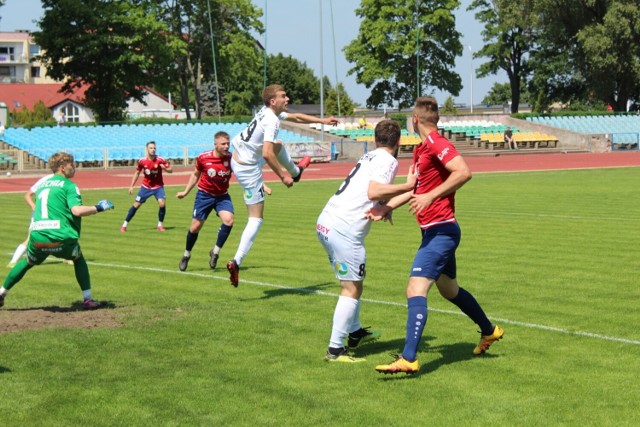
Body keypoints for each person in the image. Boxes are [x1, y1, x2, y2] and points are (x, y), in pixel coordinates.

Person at [371, 97, 504, 374]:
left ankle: (409, 358)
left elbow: (464, 172)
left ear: (415, 120)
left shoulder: (437, 144)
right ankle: (489, 330)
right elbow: (415, 190)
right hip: (435, 230)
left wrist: (430, 196)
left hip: (441, 231)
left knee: (415, 289)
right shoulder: (421, 150)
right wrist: (387, 207)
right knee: (449, 290)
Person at [318, 120, 416, 363]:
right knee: (351, 287)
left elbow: (368, 193)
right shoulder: (388, 160)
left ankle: (355, 332)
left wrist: (385, 205)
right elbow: (374, 191)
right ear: (398, 142)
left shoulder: (369, 157)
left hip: (327, 221)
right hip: (344, 230)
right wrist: (408, 185)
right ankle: (335, 349)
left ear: (374, 140)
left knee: (352, 281)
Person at [225, 84, 338, 287]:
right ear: (273, 101)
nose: (287, 99)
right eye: (283, 96)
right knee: (256, 219)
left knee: (278, 145)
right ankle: (236, 261)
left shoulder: (267, 112)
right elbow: (267, 154)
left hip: (240, 158)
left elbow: (296, 117)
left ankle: (296, 172)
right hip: (248, 170)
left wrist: (322, 121)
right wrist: (282, 177)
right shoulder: (271, 121)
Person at [0, 152, 114, 310]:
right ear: (62, 167)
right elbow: (77, 210)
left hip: (38, 235)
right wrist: (99, 207)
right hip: (60, 236)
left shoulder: (43, 185)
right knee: (78, 258)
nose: (74, 167)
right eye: (71, 164)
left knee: (28, 262)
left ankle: (1, 293)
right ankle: (88, 299)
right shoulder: (69, 186)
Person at [176, 131, 236, 271]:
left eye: (228, 143)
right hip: (204, 195)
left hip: (222, 196)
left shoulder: (231, 158)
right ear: (215, 144)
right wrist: (185, 192)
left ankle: (215, 252)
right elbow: (195, 174)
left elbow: (244, 172)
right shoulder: (203, 158)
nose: (227, 146)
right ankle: (186, 255)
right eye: (223, 144)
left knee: (229, 220)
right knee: (195, 227)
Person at [120, 141, 172, 232]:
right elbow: (137, 173)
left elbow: (171, 170)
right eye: (151, 148)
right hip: (146, 187)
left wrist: (165, 169)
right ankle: (124, 225)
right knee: (136, 205)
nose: (153, 150)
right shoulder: (142, 161)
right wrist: (131, 186)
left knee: (162, 204)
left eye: (154, 148)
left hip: (158, 187)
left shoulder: (160, 159)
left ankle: (160, 225)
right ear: (147, 149)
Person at [7, 173, 54, 268]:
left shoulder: (63, 181)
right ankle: (13, 261)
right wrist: (34, 207)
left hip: (53, 214)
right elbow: (27, 195)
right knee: (29, 239)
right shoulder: (47, 179)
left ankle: (69, 258)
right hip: (40, 215)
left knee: (60, 236)